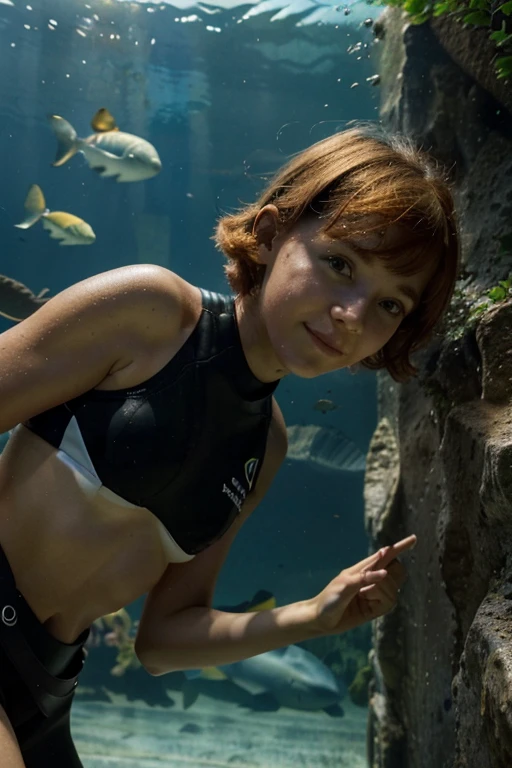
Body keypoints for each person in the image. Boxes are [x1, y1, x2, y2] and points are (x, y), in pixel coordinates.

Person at [0, 125, 459, 767]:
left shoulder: (265, 445)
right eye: (340, 264)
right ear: (271, 235)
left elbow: (161, 641)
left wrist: (314, 617)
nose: (353, 314)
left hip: (45, 694)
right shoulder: (149, 310)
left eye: (390, 303)